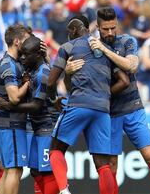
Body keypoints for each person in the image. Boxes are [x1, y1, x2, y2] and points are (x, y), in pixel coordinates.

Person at [88, 7, 150, 194]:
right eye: (105, 29)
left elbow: (132, 66)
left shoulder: (127, 41)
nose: (110, 32)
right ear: (98, 28)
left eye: (113, 28)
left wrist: (104, 50)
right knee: (111, 166)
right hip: (109, 112)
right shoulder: (90, 48)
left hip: (133, 107)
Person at [47, 16, 128, 194]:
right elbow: (124, 81)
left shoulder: (68, 47)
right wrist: (103, 95)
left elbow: (50, 82)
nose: (68, 35)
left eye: (69, 32)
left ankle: (63, 190)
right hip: (103, 109)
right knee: (103, 165)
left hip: (79, 104)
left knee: (55, 149)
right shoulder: (105, 49)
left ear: (75, 30)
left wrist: (53, 100)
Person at [0, 36, 60, 194]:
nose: (22, 58)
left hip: (47, 128)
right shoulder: (32, 69)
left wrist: (8, 105)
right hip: (36, 128)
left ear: (36, 55)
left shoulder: (43, 73)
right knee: (34, 170)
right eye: (22, 54)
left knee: (47, 172)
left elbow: (36, 105)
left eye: (26, 55)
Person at [0, 24, 31, 194]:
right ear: (17, 42)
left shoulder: (12, 62)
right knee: (14, 169)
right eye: (26, 41)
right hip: (11, 123)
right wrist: (28, 83)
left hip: (6, 122)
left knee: (9, 169)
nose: (30, 44)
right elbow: (14, 97)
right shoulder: (9, 65)